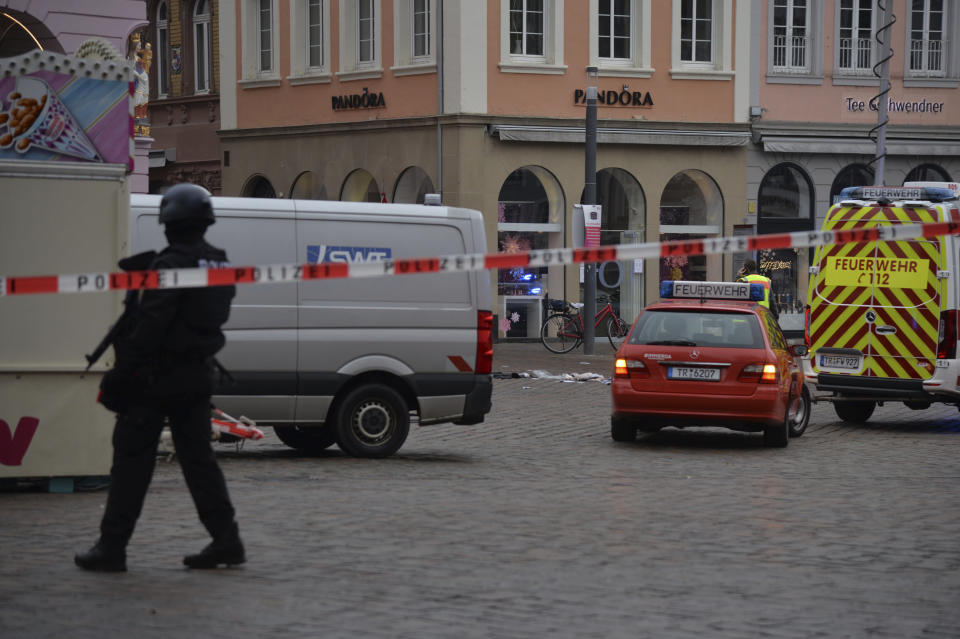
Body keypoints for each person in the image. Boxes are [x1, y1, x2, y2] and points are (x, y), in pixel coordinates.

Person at [75, 183, 243, 572]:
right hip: (196, 376)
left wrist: (121, 376)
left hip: (155, 379)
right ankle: (227, 539)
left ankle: (112, 547)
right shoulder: (218, 263)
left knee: (131, 463)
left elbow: (149, 327)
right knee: (200, 463)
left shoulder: (169, 266)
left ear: (169, 223)